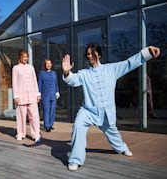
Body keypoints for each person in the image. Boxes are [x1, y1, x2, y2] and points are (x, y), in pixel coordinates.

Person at [62, 43, 160, 171]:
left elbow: (129, 63)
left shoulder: (111, 69)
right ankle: (75, 160)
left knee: (112, 131)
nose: (89, 56)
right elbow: (73, 80)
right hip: (88, 110)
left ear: (99, 55)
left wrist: (148, 52)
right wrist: (66, 72)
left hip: (106, 112)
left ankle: (122, 147)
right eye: (87, 54)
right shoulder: (84, 73)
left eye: (92, 53)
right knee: (78, 126)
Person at [12, 49, 41, 143]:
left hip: (32, 95)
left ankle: (36, 134)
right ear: (19, 57)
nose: (25, 58)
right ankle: (20, 134)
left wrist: (37, 93)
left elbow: (34, 81)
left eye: (26, 56)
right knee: (21, 117)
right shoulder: (15, 68)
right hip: (21, 96)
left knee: (34, 117)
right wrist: (15, 96)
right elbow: (14, 83)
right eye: (23, 57)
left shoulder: (31, 68)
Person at [38, 59, 60, 132]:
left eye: (50, 63)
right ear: (45, 65)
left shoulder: (54, 73)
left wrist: (57, 92)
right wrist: (39, 93)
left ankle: (50, 124)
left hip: (53, 94)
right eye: (47, 64)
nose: (48, 65)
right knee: (46, 110)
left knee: (52, 110)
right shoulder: (42, 73)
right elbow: (40, 84)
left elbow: (56, 83)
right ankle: (46, 125)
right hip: (45, 94)